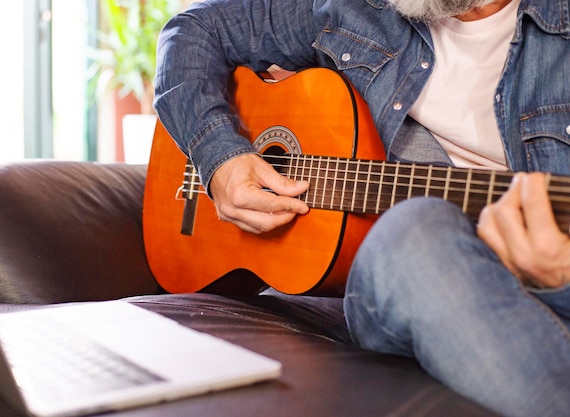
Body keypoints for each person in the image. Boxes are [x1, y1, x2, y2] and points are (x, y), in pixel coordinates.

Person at [152, 0, 570, 415]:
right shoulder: (359, 8)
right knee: (419, 229)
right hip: (390, 276)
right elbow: (191, 30)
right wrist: (220, 156)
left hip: (537, 294)